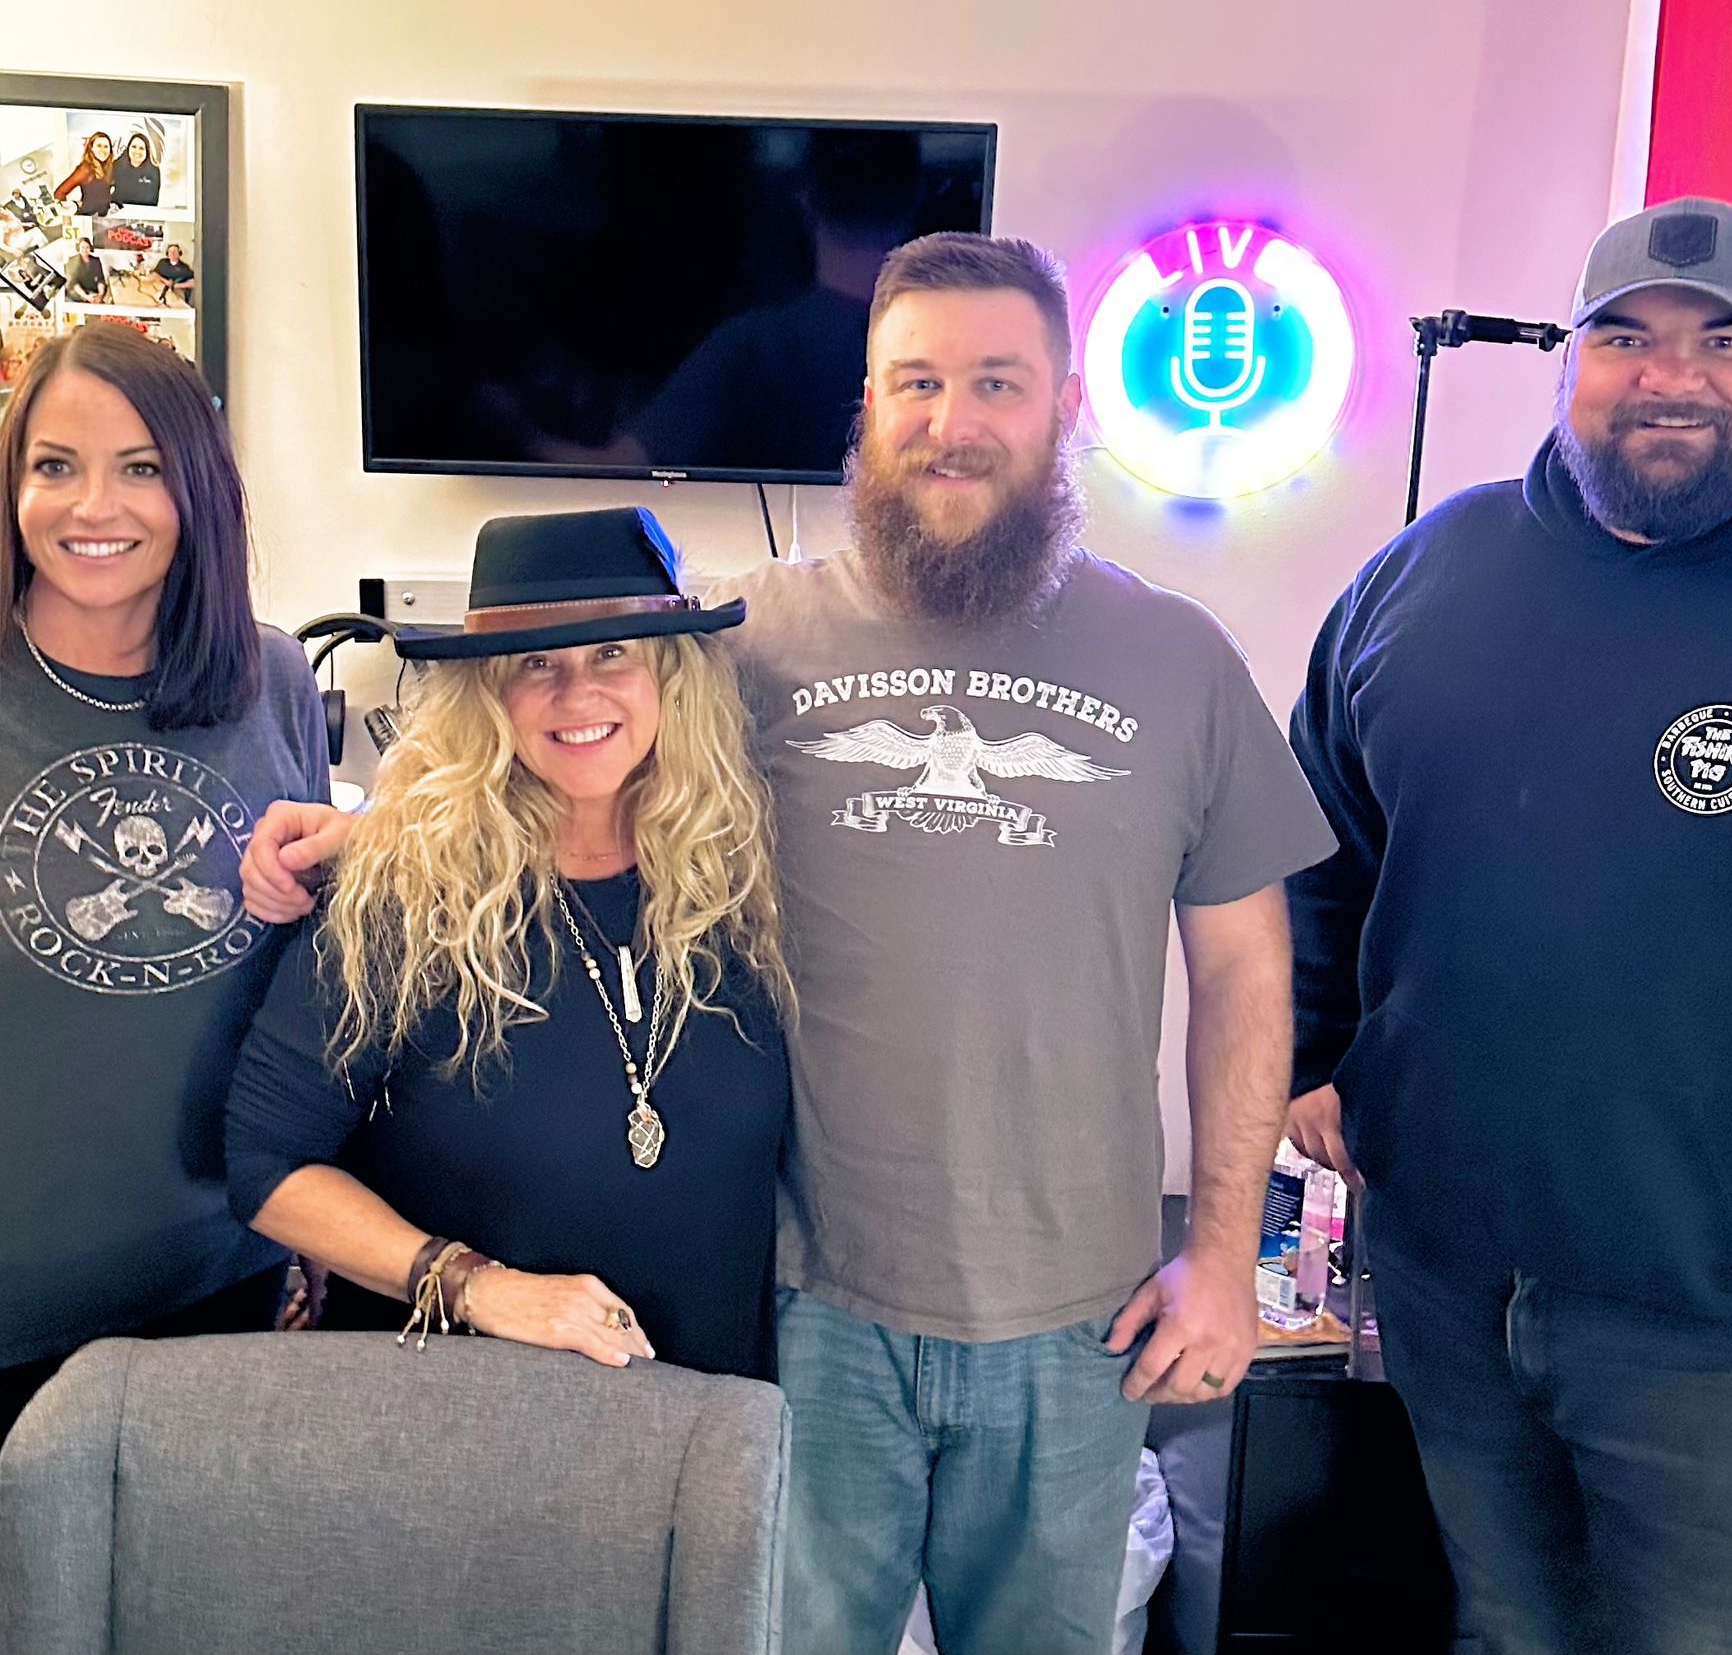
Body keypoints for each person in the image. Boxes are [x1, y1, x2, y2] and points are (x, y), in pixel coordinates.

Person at [243, 234, 1333, 1654]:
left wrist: (1232, 1244)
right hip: (812, 1299)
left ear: (1068, 404)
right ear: (867, 407)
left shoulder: (1180, 658)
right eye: (916, 381)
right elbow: (563, 728)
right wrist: (372, 830)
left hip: (1085, 1316)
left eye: (997, 381)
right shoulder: (752, 644)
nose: (954, 421)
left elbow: (1249, 966)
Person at [1284, 197, 1732, 1655]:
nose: (1669, 373)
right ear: (1573, 357)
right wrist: (1311, 1055)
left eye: (1722, 340)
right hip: (1454, 1304)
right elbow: (1322, 841)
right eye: (1625, 336)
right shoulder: (1428, 573)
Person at [224, 506, 792, 1381]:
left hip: (704, 1426)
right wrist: (479, 1286)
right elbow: (265, 1165)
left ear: (671, 676)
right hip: (471, 1434)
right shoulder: (402, 897)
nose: (579, 693)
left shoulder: (742, 879)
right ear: (486, 693)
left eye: (612, 652)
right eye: (536, 663)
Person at [0, 323, 332, 1441]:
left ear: (196, 487)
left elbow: (300, 986)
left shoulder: (272, 676)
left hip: (217, 1281)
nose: (95, 507)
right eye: (56, 465)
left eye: (140, 467)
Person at [54, 131, 117, 218]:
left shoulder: (109, 167)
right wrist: (67, 213)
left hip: (103, 219)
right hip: (88, 219)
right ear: (91, 148)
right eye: (99, 146)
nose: (103, 150)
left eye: (106, 147)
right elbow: (59, 193)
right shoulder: (85, 169)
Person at [111, 132, 162, 208]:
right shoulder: (116, 165)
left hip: (142, 215)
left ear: (147, 151)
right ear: (128, 148)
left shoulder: (154, 171)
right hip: (119, 214)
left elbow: (154, 200)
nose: (137, 151)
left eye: (141, 148)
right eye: (134, 147)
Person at [62, 239, 108, 303]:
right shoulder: (72, 260)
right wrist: (85, 296)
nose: (85, 250)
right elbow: (73, 283)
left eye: (87, 247)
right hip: (77, 292)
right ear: (78, 248)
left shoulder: (96, 261)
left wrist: (100, 294)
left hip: (92, 290)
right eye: (82, 247)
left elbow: (100, 279)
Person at [155, 242, 196, 307]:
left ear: (179, 253)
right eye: (170, 251)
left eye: (175, 251)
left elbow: (193, 283)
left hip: (177, 293)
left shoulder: (184, 268)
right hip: (160, 290)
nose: (172, 253)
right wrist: (165, 282)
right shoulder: (162, 263)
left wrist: (176, 286)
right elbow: (155, 274)